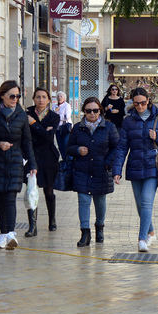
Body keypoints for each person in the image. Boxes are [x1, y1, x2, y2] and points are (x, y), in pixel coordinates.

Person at [113, 87, 158, 252]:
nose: (140, 106)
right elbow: (122, 147)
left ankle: (142, 239)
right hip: (134, 166)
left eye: (142, 103)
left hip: (153, 166)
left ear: (148, 100)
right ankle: (151, 232)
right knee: (140, 205)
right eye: (136, 104)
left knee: (147, 202)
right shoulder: (128, 121)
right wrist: (117, 170)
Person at [0, 80, 37, 250]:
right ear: (2, 95)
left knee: (10, 197)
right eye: (12, 96)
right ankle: (3, 234)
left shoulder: (21, 115)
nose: (15, 99)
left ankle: (11, 233)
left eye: (18, 96)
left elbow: (27, 141)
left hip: (14, 161)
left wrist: (32, 163)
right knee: (0, 198)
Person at [67, 97, 120, 247]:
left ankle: (100, 227)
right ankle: (85, 233)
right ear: (84, 111)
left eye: (95, 110)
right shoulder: (77, 127)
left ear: (100, 111)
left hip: (101, 170)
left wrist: (107, 163)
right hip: (82, 170)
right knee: (83, 201)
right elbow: (68, 148)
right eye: (88, 110)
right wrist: (77, 150)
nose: (92, 113)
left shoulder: (109, 127)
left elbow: (116, 147)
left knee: (100, 201)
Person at [25, 88, 60, 236]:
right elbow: (26, 136)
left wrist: (33, 124)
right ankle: (32, 226)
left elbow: (48, 137)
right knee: (31, 191)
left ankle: (52, 219)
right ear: (33, 99)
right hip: (31, 156)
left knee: (49, 191)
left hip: (48, 157)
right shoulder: (26, 114)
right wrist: (43, 130)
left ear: (48, 100)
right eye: (38, 97)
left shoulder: (53, 116)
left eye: (44, 97)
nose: (40, 100)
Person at [53, 91, 73, 157]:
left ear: (64, 98)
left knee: (65, 145)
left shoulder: (67, 105)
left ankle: (68, 161)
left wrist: (57, 114)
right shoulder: (54, 106)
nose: (59, 97)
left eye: (61, 96)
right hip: (57, 128)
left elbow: (67, 117)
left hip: (65, 128)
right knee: (60, 146)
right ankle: (64, 160)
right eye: (58, 96)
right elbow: (52, 116)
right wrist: (56, 112)